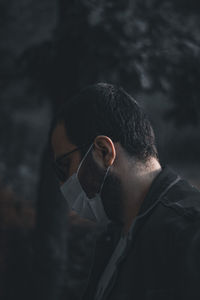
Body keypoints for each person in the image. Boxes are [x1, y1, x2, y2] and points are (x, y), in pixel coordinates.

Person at [51, 83, 200, 300]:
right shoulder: (114, 238)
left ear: (104, 151)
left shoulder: (190, 235)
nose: (62, 184)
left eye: (63, 167)